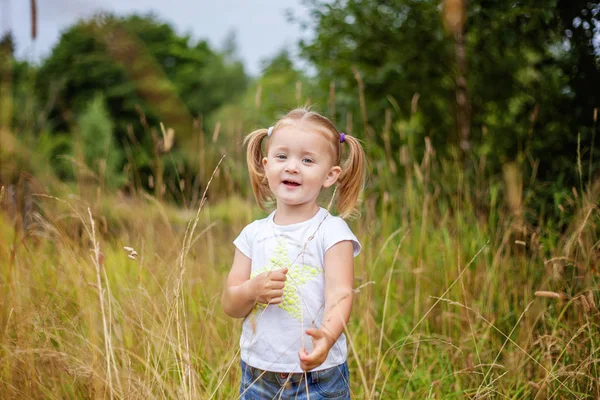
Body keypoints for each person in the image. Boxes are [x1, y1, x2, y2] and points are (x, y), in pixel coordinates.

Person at [221, 107, 367, 399]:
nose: (292, 167)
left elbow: (341, 294)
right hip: (259, 374)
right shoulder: (252, 234)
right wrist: (252, 289)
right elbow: (230, 304)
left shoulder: (332, 231)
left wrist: (326, 337)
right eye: (282, 156)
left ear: (330, 176)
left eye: (307, 160)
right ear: (265, 164)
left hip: (319, 376)